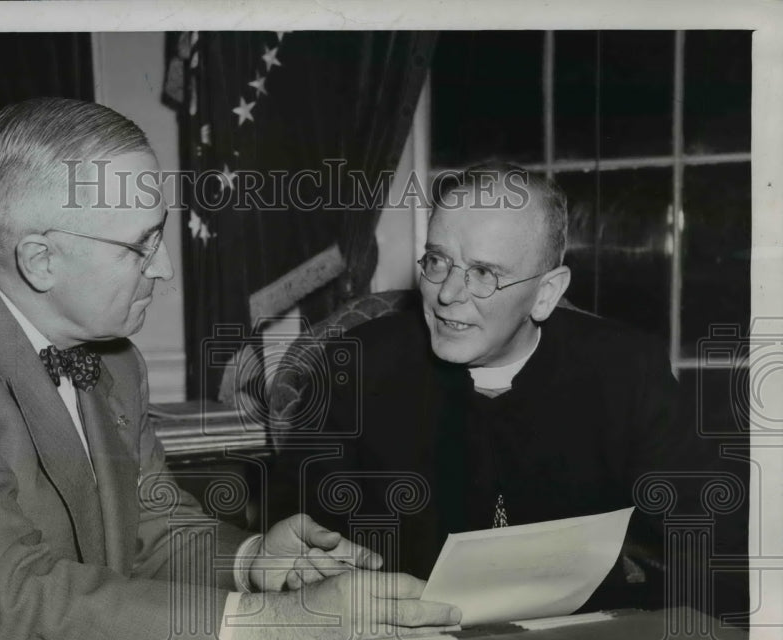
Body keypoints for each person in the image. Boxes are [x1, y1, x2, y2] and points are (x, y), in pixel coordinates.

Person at [0, 98, 460, 640]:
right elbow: (5, 596)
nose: (164, 269)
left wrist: (251, 559)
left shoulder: (113, 360)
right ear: (40, 261)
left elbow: (153, 528)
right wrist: (275, 624)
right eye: (139, 246)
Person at [272, 162, 746, 617]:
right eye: (437, 261)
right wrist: (310, 568)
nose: (447, 294)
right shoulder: (353, 367)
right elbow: (294, 531)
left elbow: (710, 544)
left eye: (484, 273)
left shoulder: (626, 370)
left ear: (546, 293)